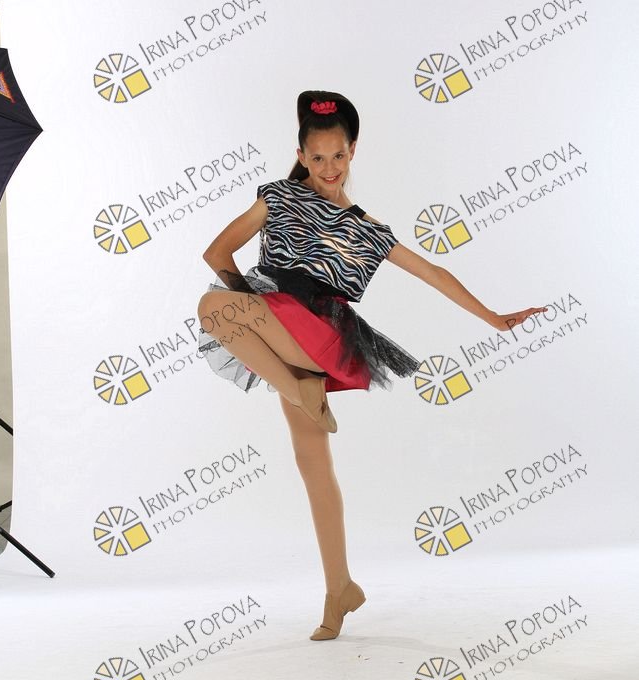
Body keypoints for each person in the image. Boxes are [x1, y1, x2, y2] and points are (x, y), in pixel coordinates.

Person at [196, 91, 547, 642]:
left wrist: (493, 318)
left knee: (212, 306)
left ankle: (299, 388)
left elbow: (432, 273)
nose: (328, 168)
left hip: (323, 337)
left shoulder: (367, 228)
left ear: (353, 151)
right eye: (317, 158)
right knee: (314, 466)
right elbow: (216, 254)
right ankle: (340, 589)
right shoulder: (278, 197)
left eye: (338, 156)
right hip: (281, 332)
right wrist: (254, 307)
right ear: (300, 155)